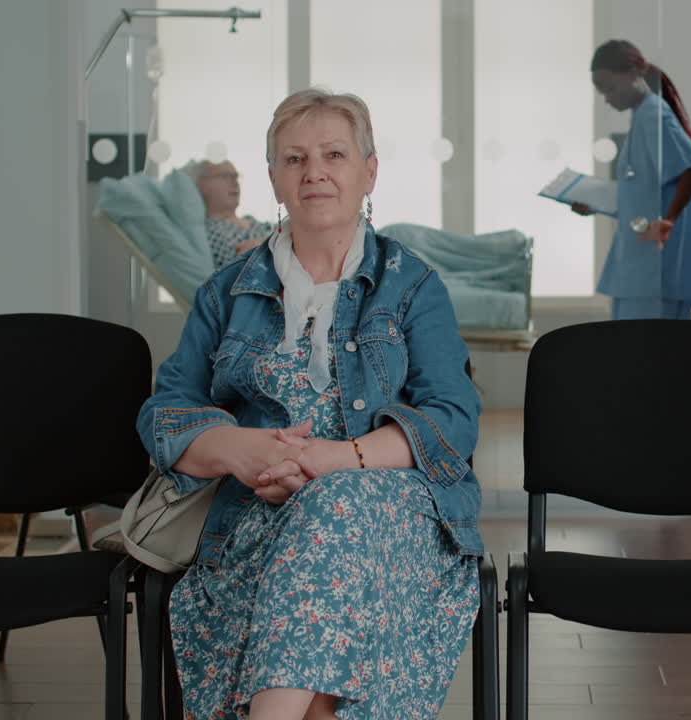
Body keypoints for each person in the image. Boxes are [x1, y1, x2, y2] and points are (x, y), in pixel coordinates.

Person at [137, 88, 482, 720]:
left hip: (392, 526)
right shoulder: (226, 293)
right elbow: (166, 412)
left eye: (334, 154)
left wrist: (338, 458)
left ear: (368, 171)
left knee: (339, 501)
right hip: (251, 526)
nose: (314, 171)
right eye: (294, 159)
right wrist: (241, 450)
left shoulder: (414, 287)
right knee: (326, 684)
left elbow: (453, 420)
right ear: (273, 177)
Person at [573, 39, 691, 320]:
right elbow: (644, 192)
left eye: (609, 88)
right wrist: (596, 202)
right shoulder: (642, 117)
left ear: (635, 73)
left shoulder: (653, 114)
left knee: (646, 356)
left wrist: (668, 221)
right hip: (640, 269)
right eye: (602, 92)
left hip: (652, 270)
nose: (607, 98)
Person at [185, 158, 277, 268]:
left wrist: (263, 246)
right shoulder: (212, 233)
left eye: (236, 176)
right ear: (202, 185)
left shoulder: (252, 221)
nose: (235, 182)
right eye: (225, 176)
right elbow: (245, 269)